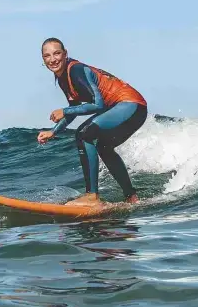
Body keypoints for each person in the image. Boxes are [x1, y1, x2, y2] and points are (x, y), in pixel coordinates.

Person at [37, 37, 147, 206]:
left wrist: (64, 111)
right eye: (47, 56)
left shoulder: (76, 71)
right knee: (103, 147)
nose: (53, 59)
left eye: (57, 53)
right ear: (43, 59)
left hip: (130, 106)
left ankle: (92, 196)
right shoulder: (62, 78)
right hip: (130, 109)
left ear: (65, 54)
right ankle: (131, 197)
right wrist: (54, 131)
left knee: (83, 134)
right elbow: (75, 108)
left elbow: (97, 104)